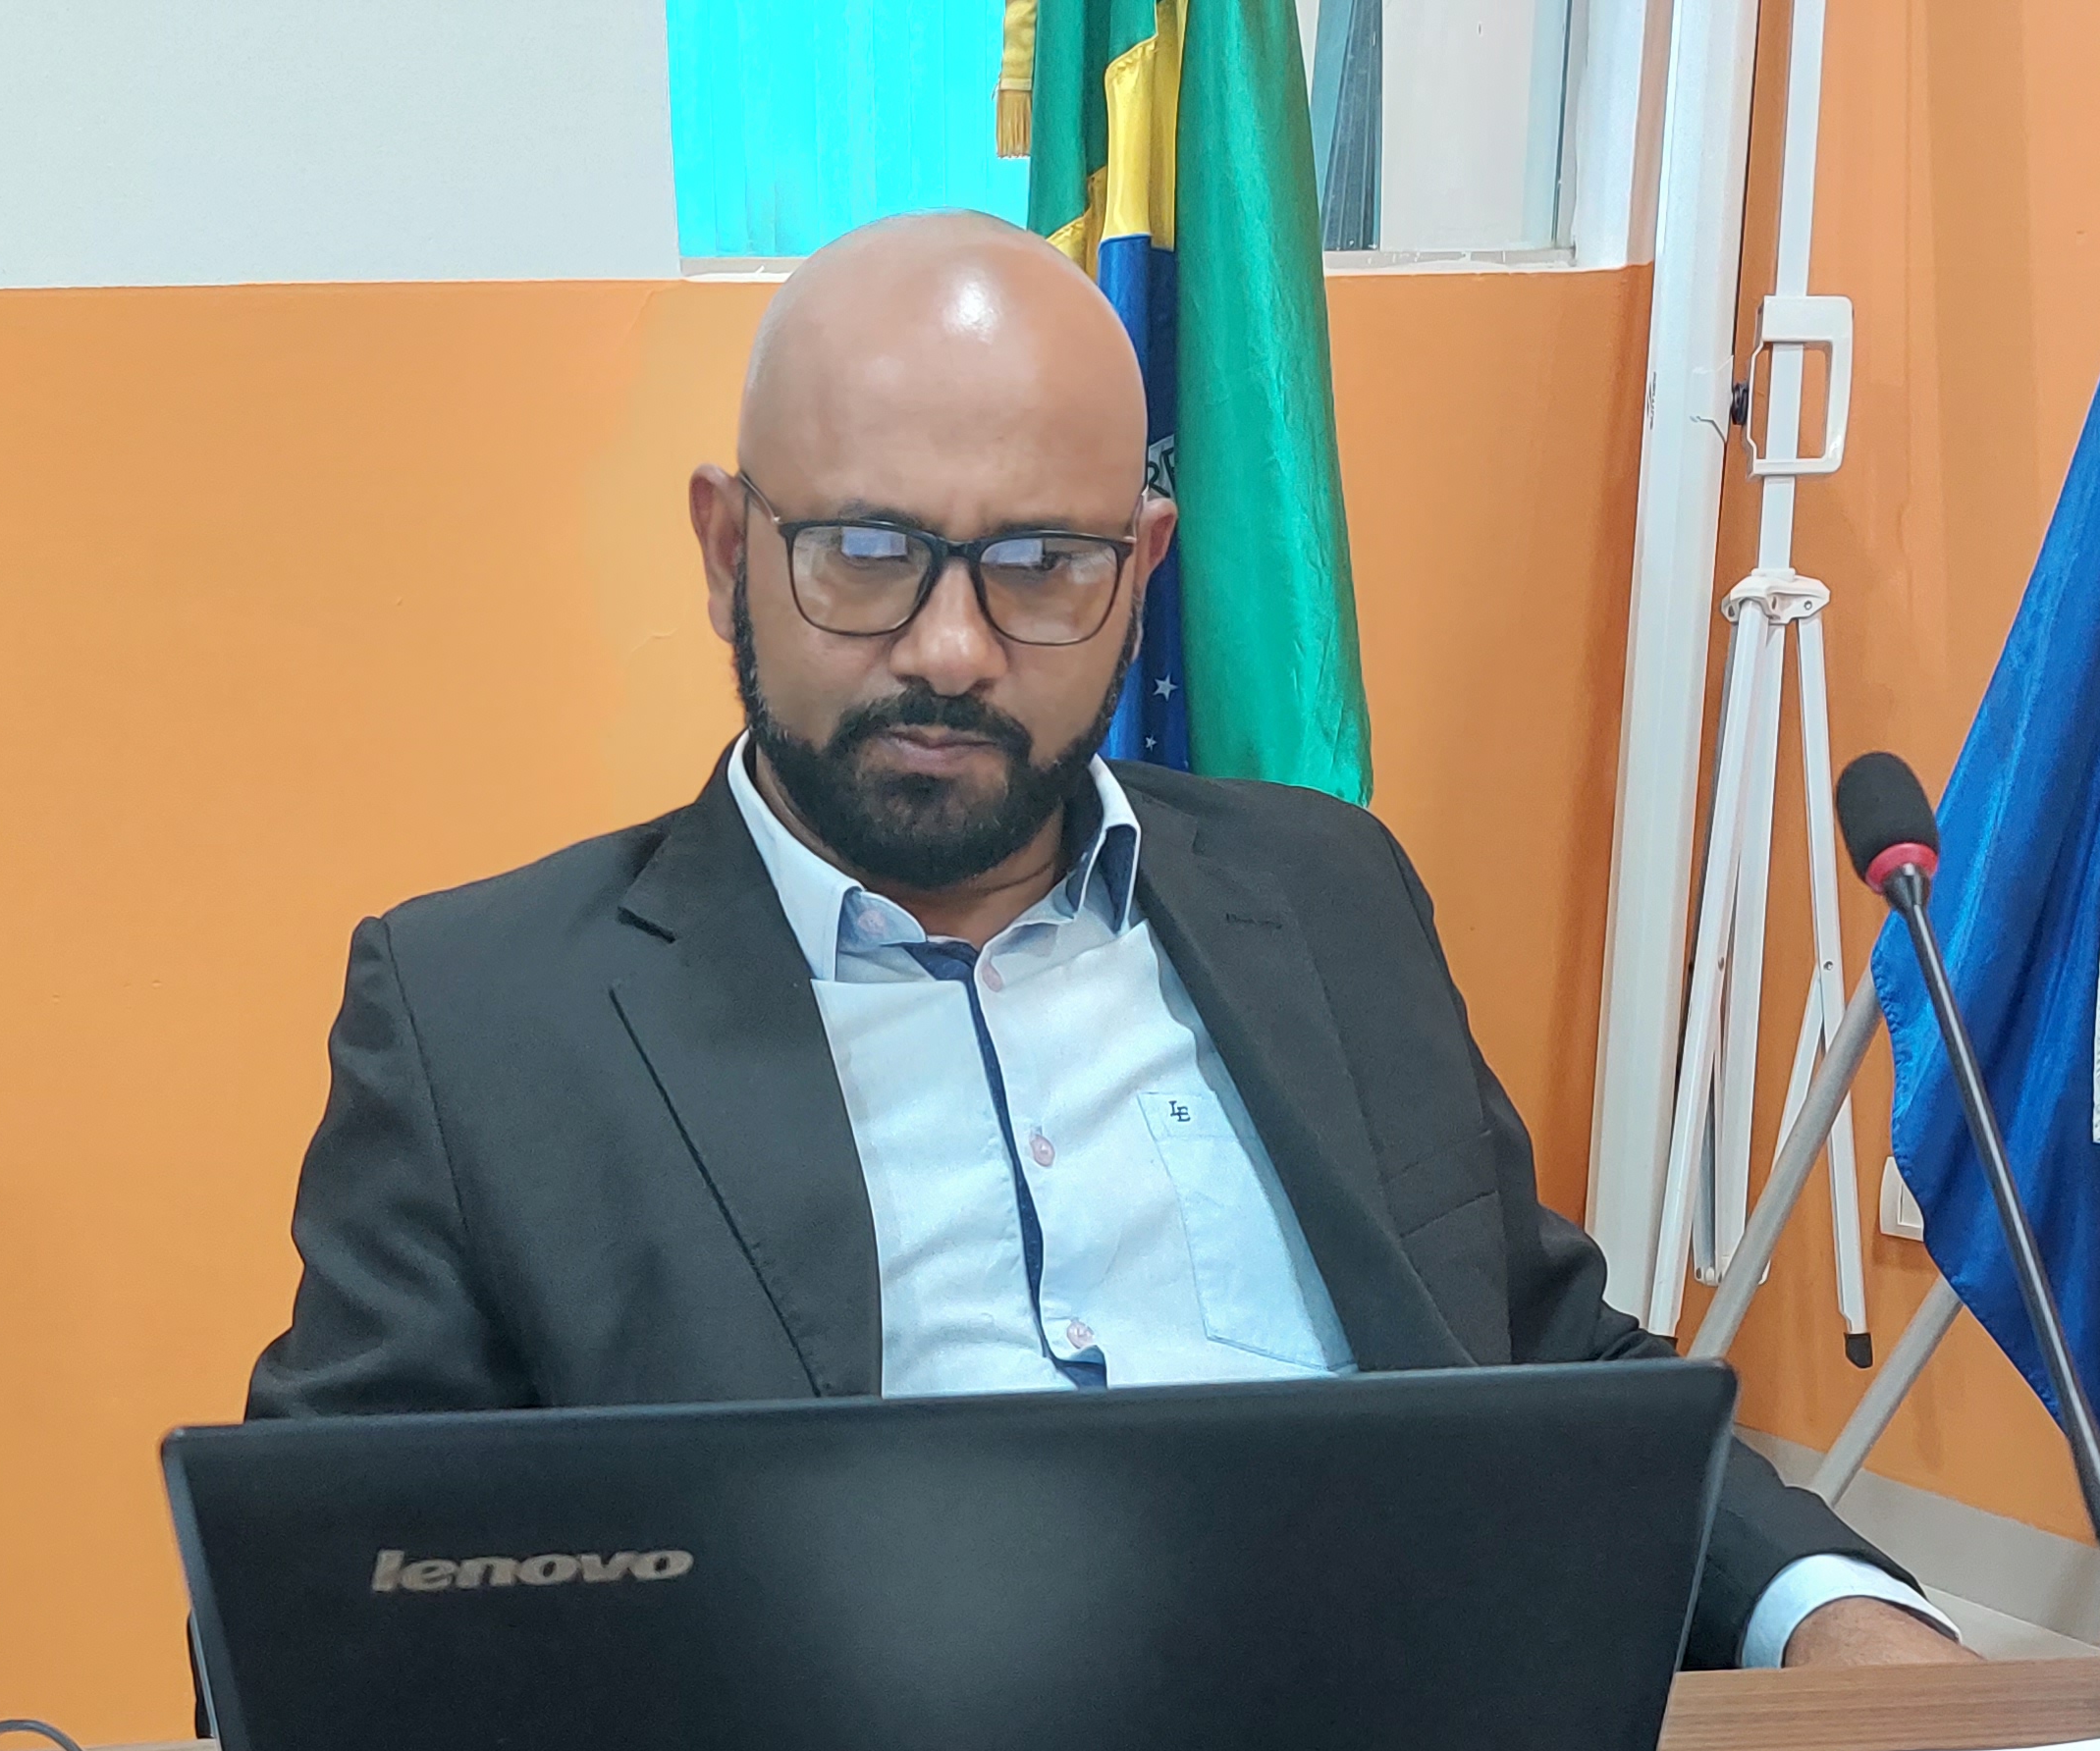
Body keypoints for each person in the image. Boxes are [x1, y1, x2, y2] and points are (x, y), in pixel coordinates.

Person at [248, 209, 1965, 1671]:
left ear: (1140, 570)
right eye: (867, 552)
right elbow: (322, 1605)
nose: (951, 648)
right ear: (725, 551)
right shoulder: (486, 1018)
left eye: (1041, 565)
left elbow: (1546, 1363)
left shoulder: (1328, 897)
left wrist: (1829, 1612)